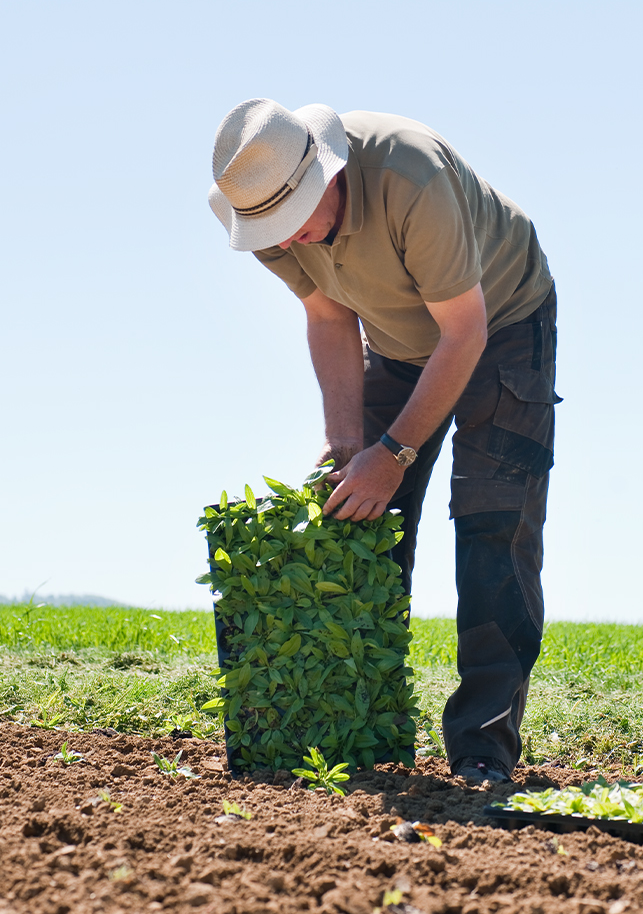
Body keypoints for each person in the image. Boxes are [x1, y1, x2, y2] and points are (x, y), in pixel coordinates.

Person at [208, 99, 559, 784]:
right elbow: (329, 314)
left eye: (296, 218)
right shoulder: (254, 197)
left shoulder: (411, 179)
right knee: (360, 519)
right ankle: (356, 730)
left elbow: (465, 335)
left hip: (501, 324)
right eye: (274, 228)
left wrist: (393, 455)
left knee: (493, 523)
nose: (292, 238)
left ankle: (482, 745)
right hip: (397, 342)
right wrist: (348, 443)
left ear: (326, 173)